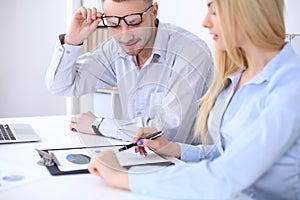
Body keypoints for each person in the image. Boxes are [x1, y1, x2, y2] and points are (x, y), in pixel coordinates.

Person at [87, 0, 300, 199]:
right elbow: (224, 152)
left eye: (214, 11)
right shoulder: (240, 76)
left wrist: (121, 177)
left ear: (248, 13)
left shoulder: (290, 88)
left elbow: (224, 177)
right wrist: (173, 148)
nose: (205, 22)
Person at [46, 0, 214, 144]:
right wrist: (72, 41)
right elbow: (62, 86)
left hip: (185, 166)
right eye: (113, 24)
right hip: (139, 156)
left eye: (134, 22)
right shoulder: (115, 50)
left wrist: (99, 125)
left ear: (154, 11)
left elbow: (165, 133)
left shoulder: (190, 51)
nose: (125, 37)